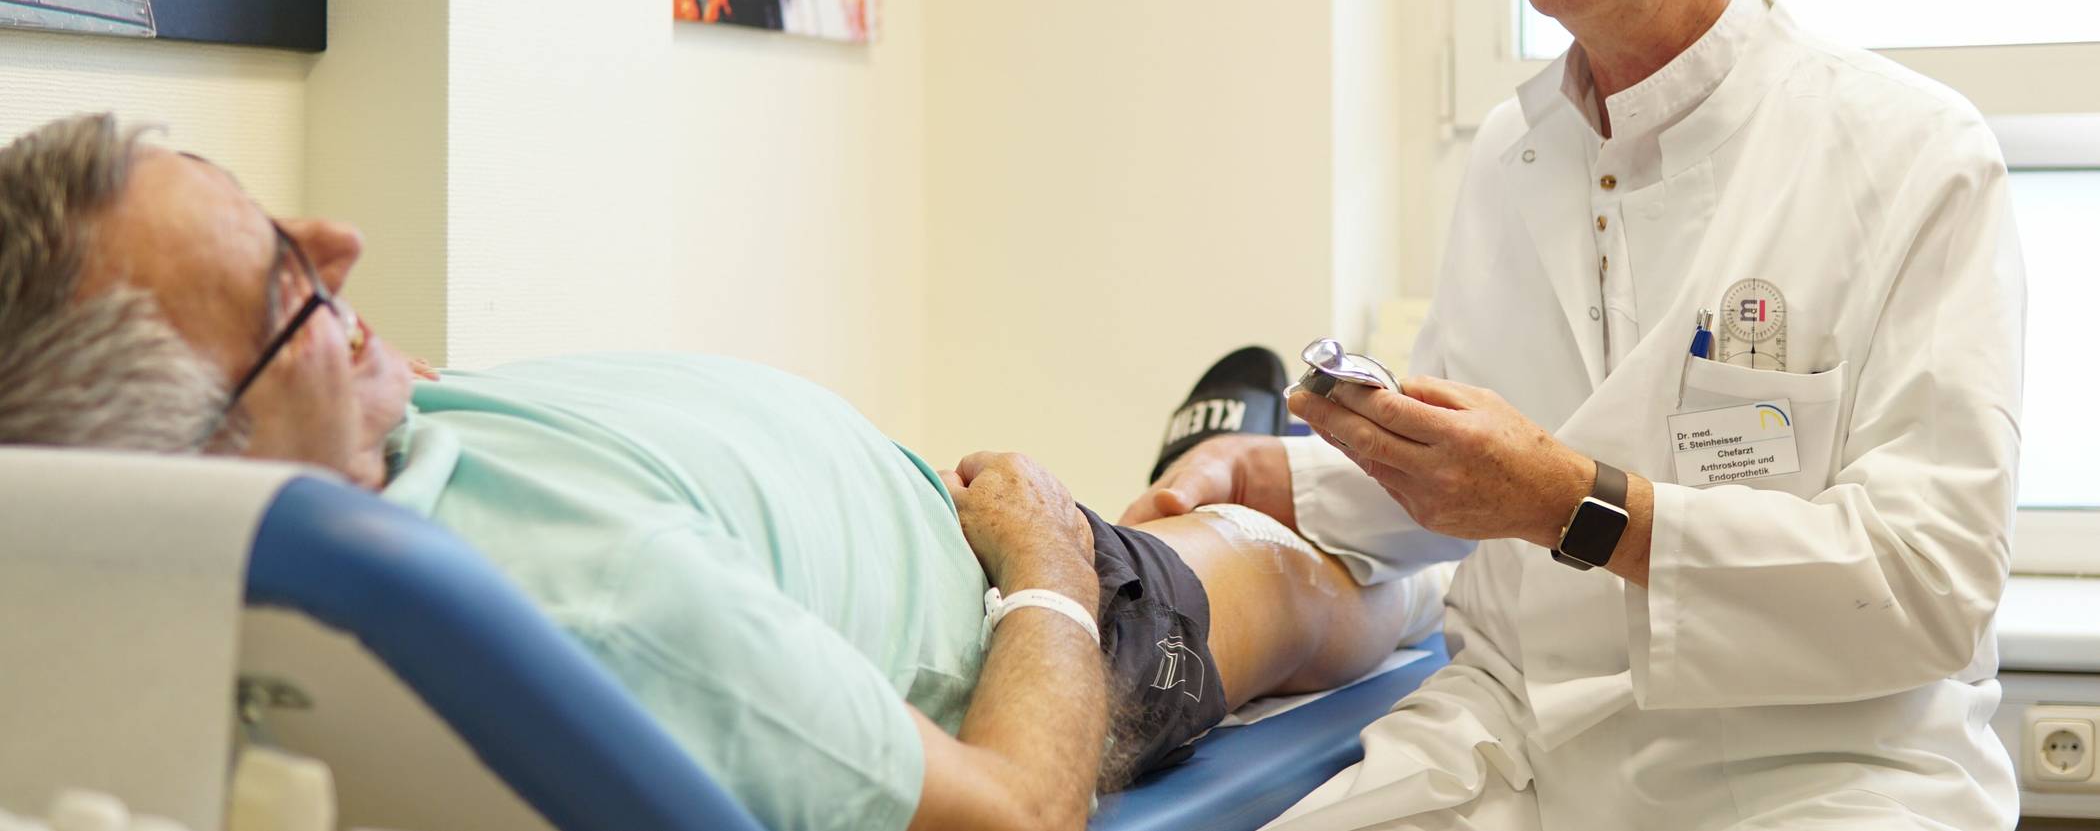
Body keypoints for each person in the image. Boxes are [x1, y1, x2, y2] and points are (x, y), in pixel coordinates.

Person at [1125, 0, 2025, 830]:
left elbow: (1929, 585)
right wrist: (1265, 473)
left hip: (1817, 769)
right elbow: (1474, 482)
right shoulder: (1515, 154)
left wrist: (1571, 503)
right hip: (1517, 747)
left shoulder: (1911, 156)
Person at [0, 113, 1445, 831]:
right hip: (1039, 606)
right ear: (210, 450)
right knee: (1329, 577)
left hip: (956, 526)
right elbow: (1009, 816)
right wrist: (1047, 569)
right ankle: (1353, 529)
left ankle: (1193, 477)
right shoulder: (598, 614)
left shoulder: (317, 461)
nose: (342, 250)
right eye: (288, 293)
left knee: (1185, 504)